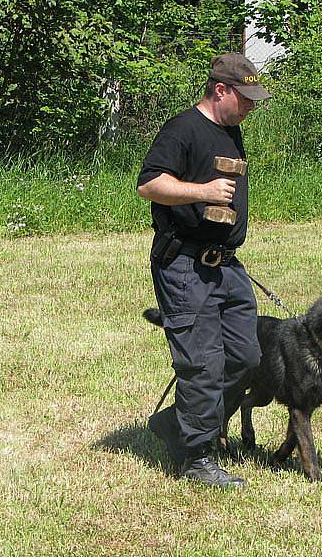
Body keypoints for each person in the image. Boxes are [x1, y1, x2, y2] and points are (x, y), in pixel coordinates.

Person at [137, 53, 271, 488]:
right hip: (185, 264)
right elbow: (149, 184)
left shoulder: (231, 131)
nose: (251, 107)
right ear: (220, 91)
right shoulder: (183, 129)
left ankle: (180, 424)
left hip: (226, 266)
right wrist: (203, 190)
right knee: (201, 363)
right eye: (245, 98)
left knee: (246, 356)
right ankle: (196, 456)